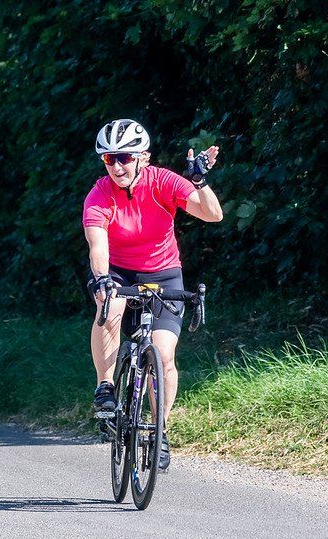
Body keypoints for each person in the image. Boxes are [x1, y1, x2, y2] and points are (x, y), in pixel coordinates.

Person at [82, 118, 223, 471]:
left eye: (125, 158)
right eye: (109, 159)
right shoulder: (99, 194)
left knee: (162, 354)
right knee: (109, 303)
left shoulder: (162, 181)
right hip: (118, 270)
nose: (116, 166)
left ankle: (159, 429)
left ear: (143, 157)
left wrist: (199, 181)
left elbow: (213, 215)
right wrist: (102, 279)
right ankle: (106, 388)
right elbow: (97, 245)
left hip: (163, 273)